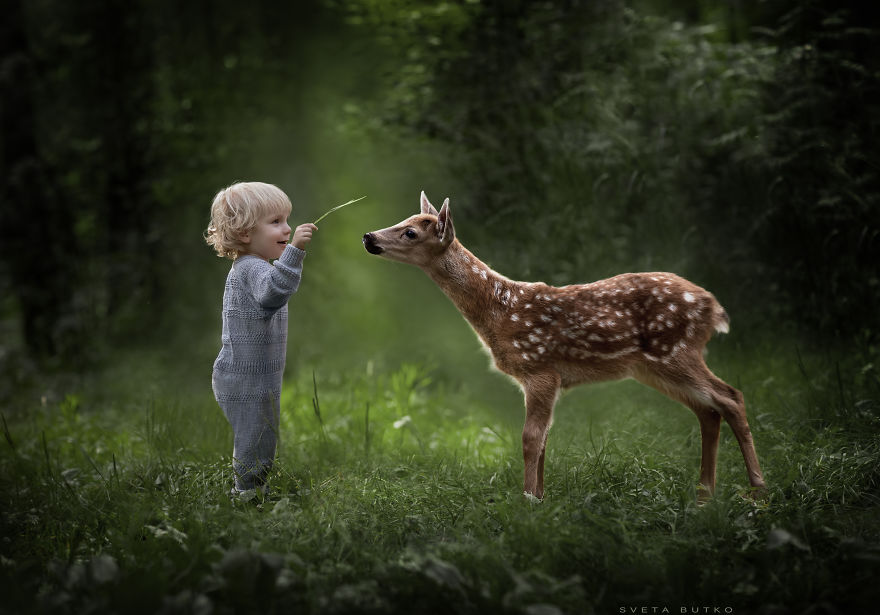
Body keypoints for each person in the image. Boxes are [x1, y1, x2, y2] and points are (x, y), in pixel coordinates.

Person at [204, 181, 317, 496]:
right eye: (276, 222)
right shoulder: (251, 269)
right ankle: (247, 492)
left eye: (287, 219)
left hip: (254, 376)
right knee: (255, 437)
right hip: (244, 378)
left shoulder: (255, 266)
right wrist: (295, 251)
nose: (287, 228)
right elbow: (274, 292)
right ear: (244, 233)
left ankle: (253, 486)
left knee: (261, 434)